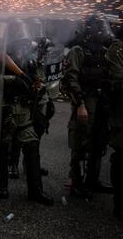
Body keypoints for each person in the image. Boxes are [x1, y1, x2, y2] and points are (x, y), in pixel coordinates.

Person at [0, 19, 54, 206]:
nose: (22, 43)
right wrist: (14, 79)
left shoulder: (30, 56)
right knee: (2, 148)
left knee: (31, 145)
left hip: (24, 109)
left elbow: (39, 76)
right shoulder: (0, 53)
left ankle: (36, 190)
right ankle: (1, 186)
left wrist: (38, 84)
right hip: (4, 106)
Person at [61, 14, 113, 198]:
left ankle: (93, 180)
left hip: (102, 102)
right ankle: (77, 182)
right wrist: (80, 104)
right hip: (86, 100)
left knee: (99, 142)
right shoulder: (78, 50)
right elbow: (71, 78)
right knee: (81, 142)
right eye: (100, 28)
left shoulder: (104, 50)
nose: (104, 32)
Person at [105, 15, 123, 220]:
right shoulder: (116, 49)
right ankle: (119, 204)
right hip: (120, 114)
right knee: (121, 158)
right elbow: (117, 78)